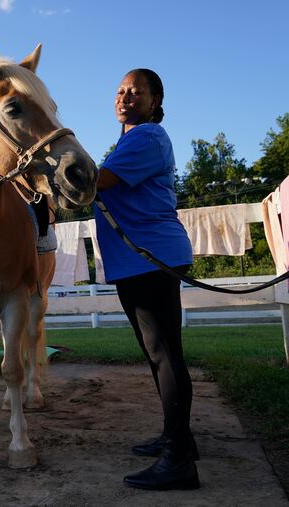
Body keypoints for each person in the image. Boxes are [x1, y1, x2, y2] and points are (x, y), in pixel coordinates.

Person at [93, 68, 200, 490]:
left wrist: (49, 164)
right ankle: (179, 441)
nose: (125, 97)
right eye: (120, 91)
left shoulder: (146, 137)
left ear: (156, 102)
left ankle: (178, 461)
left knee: (164, 355)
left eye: (136, 92)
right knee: (159, 353)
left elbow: (95, 181)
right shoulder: (131, 140)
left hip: (149, 259)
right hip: (139, 260)